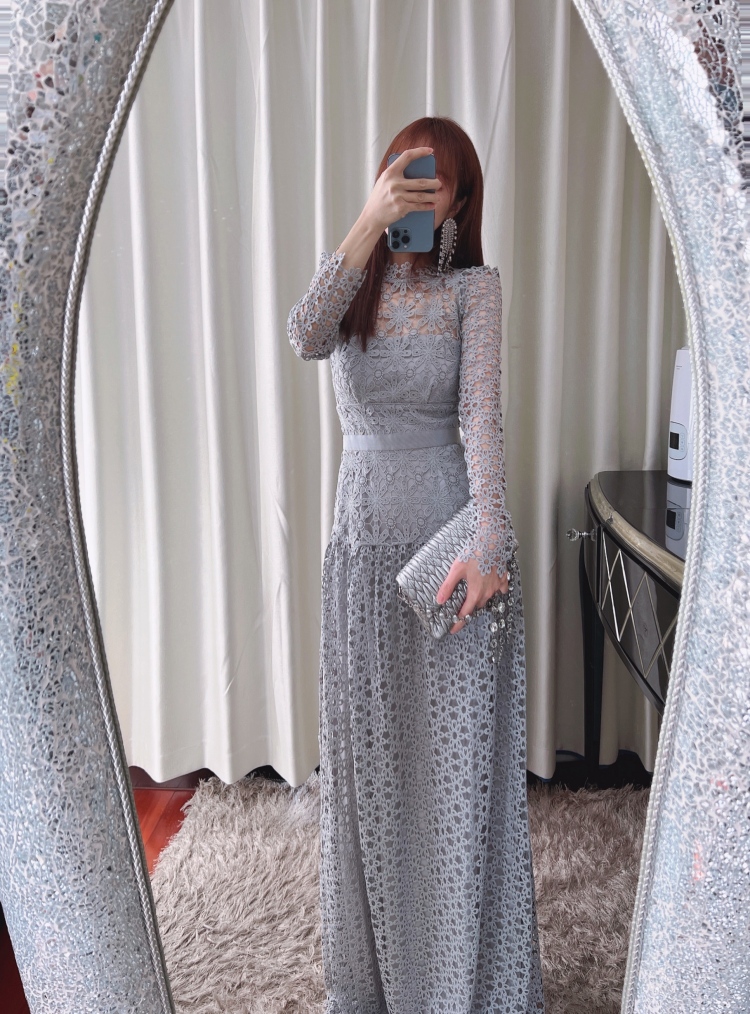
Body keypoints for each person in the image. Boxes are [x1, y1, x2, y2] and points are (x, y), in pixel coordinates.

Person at [287, 116, 545, 1013]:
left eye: (439, 185)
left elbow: (481, 418)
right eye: (407, 178)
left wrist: (490, 542)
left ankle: (462, 986)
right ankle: (379, 985)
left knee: (455, 782)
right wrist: (366, 222)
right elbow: (303, 335)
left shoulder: (475, 289)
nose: (420, 197)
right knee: (374, 777)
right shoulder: (348, 286)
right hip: (360, 561)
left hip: (449, 561)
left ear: (462, 203)